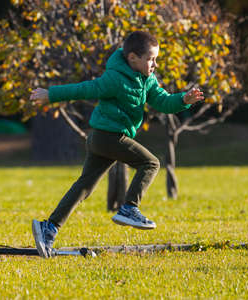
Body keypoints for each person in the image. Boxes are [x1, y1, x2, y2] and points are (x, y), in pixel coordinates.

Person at [29, 31, 204, 258]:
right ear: (133, 58)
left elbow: (163, 101)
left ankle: (49, 227)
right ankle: (129, 208)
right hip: (108, 137)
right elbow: (85, 89)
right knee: (150, 163)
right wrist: (50, 94)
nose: (155, 64)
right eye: (151, 59)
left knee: (84, 186)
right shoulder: (115, 78)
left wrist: (183, 100)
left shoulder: (147, 80)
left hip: (102, 138)